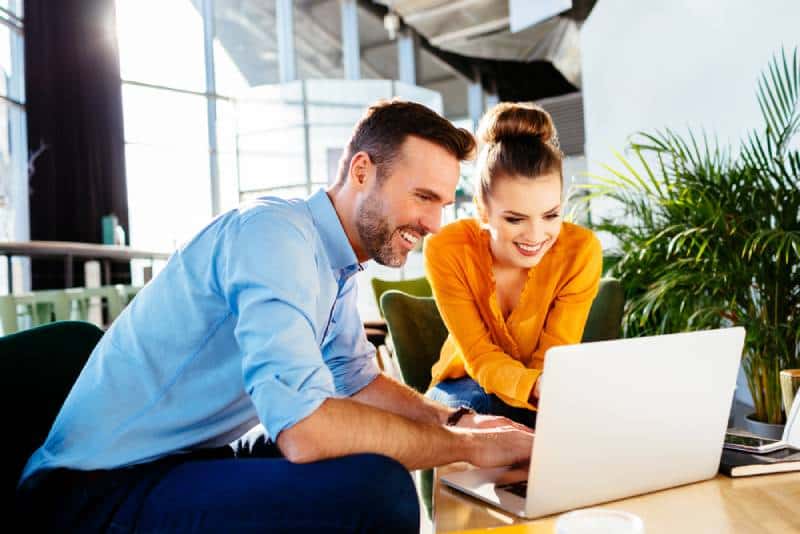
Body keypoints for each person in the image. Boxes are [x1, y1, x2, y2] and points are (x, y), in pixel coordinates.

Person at [15, 100, 535, 533]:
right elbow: (305, 431)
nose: (434, 223)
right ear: (361, 171)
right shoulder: (273, 236)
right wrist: (467, 448)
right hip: (92, 493)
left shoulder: (335, 264)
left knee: (370, 462)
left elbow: (354, 381)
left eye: (444, 203)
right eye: (423, 197)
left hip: (186, 458)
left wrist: (458, 420)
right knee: (376, 491)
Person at [425, 102, 602, 428]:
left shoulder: (581, 251)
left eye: (550, 215)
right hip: (465, 384)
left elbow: (555, 354)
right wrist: (534, 387)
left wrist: (541, 388)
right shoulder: (446, 248)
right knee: (476, 416)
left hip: (542, 385)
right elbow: (479, 356)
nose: (536, 235)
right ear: (482, 210)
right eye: (515, 219)